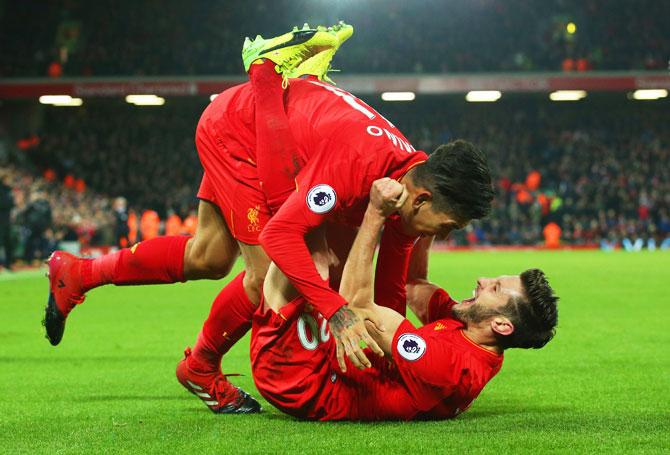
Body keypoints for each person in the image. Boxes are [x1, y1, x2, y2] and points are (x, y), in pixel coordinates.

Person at [44, 24, 494, 413]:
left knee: (209, 257)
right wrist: (336, 313)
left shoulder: (403, 188)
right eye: (448, 225)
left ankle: (78, 273)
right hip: (241, 130)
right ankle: (199, 368)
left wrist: (385, 356)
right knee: (272, 275)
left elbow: (389, 293)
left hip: (286, 137)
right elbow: (282, 234)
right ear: (422, 199)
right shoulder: (359, 169)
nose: (444, 235)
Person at [251, 178, 559, 420]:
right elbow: (413, 285)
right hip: (329, 357)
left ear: (502, 325)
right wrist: (424, 218)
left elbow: (355, 305)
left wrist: (375, 213)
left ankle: (275, 178)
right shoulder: (471, 327)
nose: (482, 280)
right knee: (329, 250)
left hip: (300, 381)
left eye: (494, 288)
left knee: (306, 249)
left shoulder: (449, 368)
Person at [0, 172, 15, 270]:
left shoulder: (9, 190)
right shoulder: (1, 190)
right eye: (8, 179)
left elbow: (11, 204)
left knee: (8, 242)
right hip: (1, 219)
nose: (9, 181)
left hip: (7, 220)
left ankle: (8, 264)